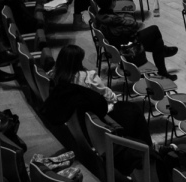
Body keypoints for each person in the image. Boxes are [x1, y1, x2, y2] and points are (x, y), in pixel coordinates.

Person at [41, 45, 153, 173]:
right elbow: (108, 96)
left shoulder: (56, 74)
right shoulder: (88, 77)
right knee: (134, 111)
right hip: (101, 115)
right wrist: (113, 97)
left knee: (130, 111)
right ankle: (149, 152)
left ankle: (145, 150)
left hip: (83, 117)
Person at [90, 0, 179, 79]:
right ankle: (163, 55)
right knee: (154, 30)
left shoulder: (100, 15)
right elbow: (134, 27)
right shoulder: (113, 20)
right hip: (127, 49)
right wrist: (131, 25)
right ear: (112, 2)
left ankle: (163, 63)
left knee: (158, 43)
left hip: (117, 45)